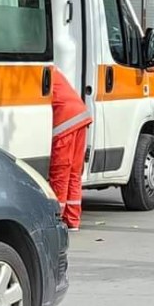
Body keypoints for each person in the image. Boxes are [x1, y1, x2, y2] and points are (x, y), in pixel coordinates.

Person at [49, 67, 92, 232]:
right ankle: (73, 220)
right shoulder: (53, 69)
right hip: (81, 116)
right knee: (74, 172)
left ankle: (56, 219)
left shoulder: (35, 69)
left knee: (60, 171)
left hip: (65, 120)